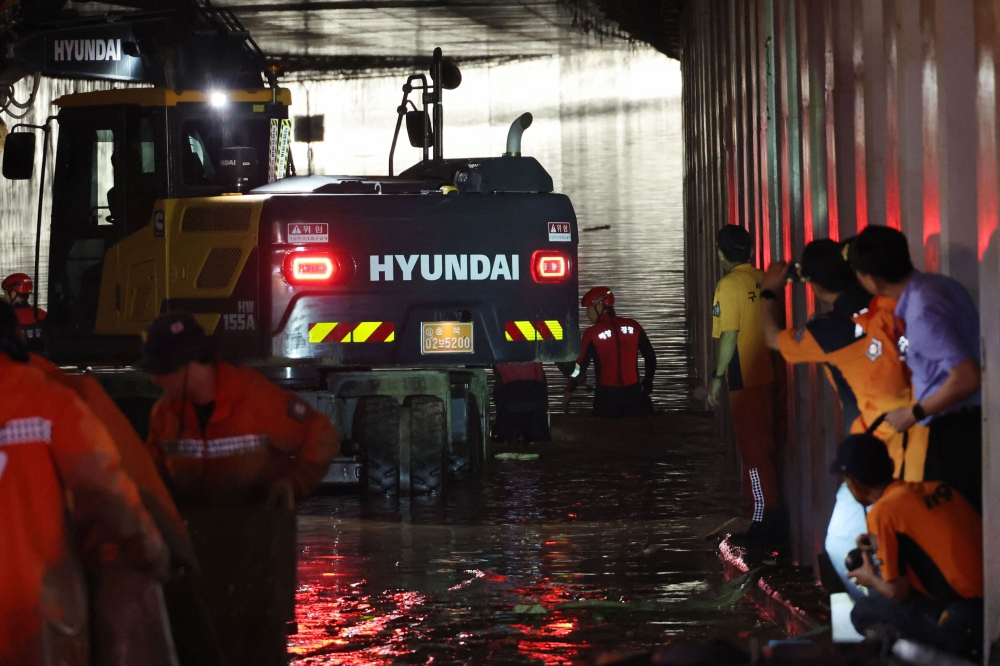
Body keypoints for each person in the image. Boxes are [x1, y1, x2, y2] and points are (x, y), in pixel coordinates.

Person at [141, 310, 339, 665]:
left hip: (255, 563)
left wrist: (293, 484)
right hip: (197, 564)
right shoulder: (165, 416)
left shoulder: (255, 398)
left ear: (188, 365)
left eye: (162, 370)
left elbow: (320, 435)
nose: (156, 380)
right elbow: (150, 477)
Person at [0, 301, 168, 666]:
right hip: (34, 617)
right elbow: (103, 489)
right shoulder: (50, 401)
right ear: (14, 337)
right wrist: (149, 547)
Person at [759, 239, 929, 596]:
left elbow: (773, 339)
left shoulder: (829, 331)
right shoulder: (884, 305)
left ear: (815, 285)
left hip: (876, 446)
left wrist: (769, 292)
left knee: (843, 542)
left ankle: (878, 611)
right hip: (920, 432)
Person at [847, 226, 982, 511]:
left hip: (957, 430)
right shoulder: (940, 285)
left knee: (951, 517)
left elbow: (967, 376)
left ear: (872, 280)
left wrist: (914, 412)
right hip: (969, 424)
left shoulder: (921, 313)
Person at [832, 432, 983, 659]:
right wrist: (879, 544)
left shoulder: (883, 512)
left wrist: (869, 577)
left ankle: (929, 659)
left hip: (962, 622)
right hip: (990, 603)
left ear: (852, 482)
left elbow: (898, 592)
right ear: (892, 465)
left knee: (864, 611)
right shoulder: (938, 488)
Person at [708, 225, 784, 550]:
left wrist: (716, 377)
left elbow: (729, 336)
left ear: (721, 253)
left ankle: (763, 520)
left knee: (753, 454)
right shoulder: (763, 278)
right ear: (751, 250)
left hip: (744, 378)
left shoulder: (728, 285)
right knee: (768, 446)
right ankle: (765, 515)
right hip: (772, 373)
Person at [568, 286, 656, 418]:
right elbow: (650, 357)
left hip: (607, 399)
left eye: (588, 308)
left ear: (599, 307)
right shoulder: (634, 326)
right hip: (635, 397)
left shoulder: (591, 333)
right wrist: (648, 380)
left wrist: (569, 391)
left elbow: (580, 366)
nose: (587, 313)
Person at [493, 362, 550, 443]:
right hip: (535, 396)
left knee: (508, 444)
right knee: (538, 444)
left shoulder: (499, 350)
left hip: (509, 397)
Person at [2, 272, 45, 341]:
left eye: (6, 293)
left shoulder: (6, 317)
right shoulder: (41, 314)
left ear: (13, 293)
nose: (5, 297)